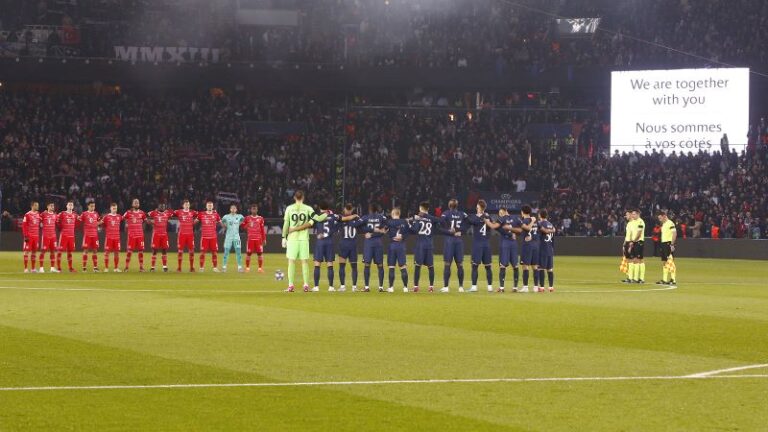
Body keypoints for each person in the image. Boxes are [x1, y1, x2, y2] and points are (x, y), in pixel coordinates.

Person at [282, 190, 327, 292]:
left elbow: (286, 224)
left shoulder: (289, 208)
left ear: (294, 198)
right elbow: (319, 219)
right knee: (304, 262)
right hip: (303, 238)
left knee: (291, 261)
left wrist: (283, 237)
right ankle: (306, 285)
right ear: (303, 198)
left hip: (292, 238)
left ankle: (291, 285)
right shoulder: (308, 209)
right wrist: (327, 213)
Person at [486, 207, 521, 292]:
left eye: (501, 213)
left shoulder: (502, 219)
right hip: (513, 243)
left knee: (502, 265)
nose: (500, 215)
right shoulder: (516, 218)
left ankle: (501, 288)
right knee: (515, 266)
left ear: (505, 212)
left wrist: (486, 220)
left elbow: (494, 226)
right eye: (499, 213)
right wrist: (512, 232)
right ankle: (515, 288)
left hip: (505, 243)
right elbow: (520, 230)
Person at [410, 201, 442, 292]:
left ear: (421, 208)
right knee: (430, 266)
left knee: (417, 266)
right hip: (429, 244)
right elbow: (438, 225)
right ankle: (431, 287)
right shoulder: (432, 219)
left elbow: (415, 230)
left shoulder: (419, 218)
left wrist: (413, 222)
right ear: (428, 209)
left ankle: (416, 287)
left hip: (420, 245)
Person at [465, 199, 494, 292]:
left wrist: (465, 215)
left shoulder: (475, 217)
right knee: (488, 266)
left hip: (477, 244)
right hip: (487, 244)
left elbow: (468, 220)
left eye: (477, 207)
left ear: (480, 208)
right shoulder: (488, 217)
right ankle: (490, 287)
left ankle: (474, 287)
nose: (476, 208)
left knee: (474, 266)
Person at [440, 199, 467, 293]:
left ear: (449, 205)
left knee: (447, 264)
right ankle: (461, 287)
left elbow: (440, 226)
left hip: (450, 241)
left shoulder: (446, 214)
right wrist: (461, 231)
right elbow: (468, 223)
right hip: (459, 241)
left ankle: (446, 287)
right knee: (460, 265)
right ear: (457, 205)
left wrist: (448, 231)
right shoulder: (462, 214)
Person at [381, 207, 410, 293]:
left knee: (391, 267)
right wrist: (402, 237)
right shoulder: (404, 222)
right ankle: (405, 288)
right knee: (403, 266)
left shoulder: (389, 222)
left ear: (393, 214)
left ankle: (391, 287)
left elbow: (384, 231)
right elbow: (408, 232)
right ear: (399, 214)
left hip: (392, 245)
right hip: (401, 246)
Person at [337, 204, 365, 292]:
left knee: (342, 266)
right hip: (353, 245)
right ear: (352, 209)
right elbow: (362, 225)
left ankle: (342, 286)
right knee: (354, 267)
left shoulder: (341, 219)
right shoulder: (356, 219)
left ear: (344, 209)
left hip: (343, 244)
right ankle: (354, 287)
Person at [360, 203, 387, 292]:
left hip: (369, 243)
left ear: (370, 209)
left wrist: (367, 233)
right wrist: (380, 232)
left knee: (367, 264)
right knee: (380, 265)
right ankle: (381, 287)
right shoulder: (381, 217)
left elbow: (359, 227)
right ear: (377, 210)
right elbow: (386, 228)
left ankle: (367, 287)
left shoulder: (365, 217)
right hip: (378, 242)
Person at [519, 205, 540, 292]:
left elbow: (527, 228)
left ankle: (525, 287)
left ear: (522, 212)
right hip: (535, 245)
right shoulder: (535, 221)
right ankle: (535, 287)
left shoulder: (525, 220)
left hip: (527, 245)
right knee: (535, 266)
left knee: (525, 266)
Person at [123, 198, 147, 272]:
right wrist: (126, 224)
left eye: (137, 203)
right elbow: (122, 218)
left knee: (141, 251)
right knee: (129, 251)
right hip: (132, 236)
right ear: (132, 204)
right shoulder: (128, 212)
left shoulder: (142, 213)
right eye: (135, 202)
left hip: (140, 236)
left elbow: (146, 221)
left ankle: (141, 267)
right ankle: (126, 267)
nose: (136, 204)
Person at [148, 203, 174, 272]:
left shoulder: (167, 213)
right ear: (158, 207)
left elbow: (173, 213)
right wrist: (150, 221)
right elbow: (146, 215)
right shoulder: (154, 213)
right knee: (154, 251)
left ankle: (164, 267)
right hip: (156, 234)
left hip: (164, 235)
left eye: (163, 206)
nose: (162, 207)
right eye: (161, 206)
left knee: (164, 250)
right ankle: (152, 267)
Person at [174, 199, 198, 272]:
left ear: (189, 205)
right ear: (183, 205)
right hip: (182, 235)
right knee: (180, 251)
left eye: (188, 204)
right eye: (185, 204)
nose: (187, 206)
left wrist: (195, 221)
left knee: (191, 251)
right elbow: (170, 213)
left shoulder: (192, 212)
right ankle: (179, 267)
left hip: (190, 235)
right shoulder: (179, 212)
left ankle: (191, 267)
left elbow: (201, 215)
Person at [198, 200, 221, 272]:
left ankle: (215, 268)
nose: (210, 206)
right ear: (206, 206)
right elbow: (195, 221)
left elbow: (221, 223)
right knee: (202, 253)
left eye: (211, 205)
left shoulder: (216, 215)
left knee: (214, 253)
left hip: (213, 237)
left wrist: (227, 225)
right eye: (208, 205)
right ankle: (201, 268)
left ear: (213, 206)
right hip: (204, 237)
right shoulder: (201, 214)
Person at [220, 204, 245, 272]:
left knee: (238, 251)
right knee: (226, 252)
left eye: (234, 208)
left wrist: (239, 224)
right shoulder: (226, 216)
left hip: (236, 236)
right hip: (228, 236)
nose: (233, 209)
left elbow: (243, 220)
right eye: (232, 208)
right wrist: (225, 226)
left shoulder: (239, 216)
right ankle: (224, 267)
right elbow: (221, 222)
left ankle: (239, 267)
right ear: (230, 209)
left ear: (236, 209)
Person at [656, 211, 678, 288]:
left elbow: (674, 233)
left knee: (670, 261)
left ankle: (673, 279)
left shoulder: (670, 223)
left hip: (668, 243)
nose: (659, 220)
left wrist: (672, 244)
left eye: (660, 218)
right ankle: (664, 279)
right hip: (663, 243)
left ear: (664, 216)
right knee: (664, 261)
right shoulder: (664, 224)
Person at [57, 200, 79, 273]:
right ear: (66, 206)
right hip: (64, 236)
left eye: (71, 205)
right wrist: (59, 227)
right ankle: (59, 268)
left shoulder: (75, 215)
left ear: (73, 207)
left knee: (70, 252)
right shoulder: (62, 213)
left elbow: (79, 220)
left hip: (71, 236)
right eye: (69, 205)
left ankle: (70, 268)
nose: (70, 206)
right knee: (60, 251)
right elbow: (56, 219)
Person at [243, 204, 266, 272]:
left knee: (260, 254)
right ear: (250, 210)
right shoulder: (247, 218)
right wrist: (248, 225)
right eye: (253, 209)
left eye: (255, 209)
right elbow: (243, 227)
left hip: (258, 239)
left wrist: (264, 239)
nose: (254, 210)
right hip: (250, 239)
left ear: (257, 210)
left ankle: (260, 268)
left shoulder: (260, 218)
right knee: (248, 254)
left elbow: (262, 230)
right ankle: (247, 268)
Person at [537, 209, 556, 292]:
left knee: (541, 268)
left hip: (543, 248)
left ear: (540, 215)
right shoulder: (551, 225)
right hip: (550, 249)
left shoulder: (540, 224)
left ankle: (541, 287)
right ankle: (551, 287)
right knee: (550, 269)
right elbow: (553, 238)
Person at [80, 201, 101, 272]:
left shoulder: (96, 214)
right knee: (85, 251)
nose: (93, 207)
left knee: (95, 251)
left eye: (94, 206)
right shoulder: (84, 214)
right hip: (87, 235)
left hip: (95, 235)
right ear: (88, 206)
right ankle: (84, 267)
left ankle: (95, 267)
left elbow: (98, 222)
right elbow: (79, 220)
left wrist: (98, 224)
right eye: (91, 206)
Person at [102, 203, 123, 272]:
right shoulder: (106, 217)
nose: (114, 210)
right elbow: (102, 224)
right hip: (109, 238)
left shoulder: (119, 216)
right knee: (107, 253)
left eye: (116, 208)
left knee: (116, 253)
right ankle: (106, 268)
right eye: (113, 208)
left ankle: (116, 268)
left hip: (117, 238)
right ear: (110, 208)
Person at [627, 209, 646, 283]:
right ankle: (633, 278)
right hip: (634, 242)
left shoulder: (641, 222)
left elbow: (639, 233)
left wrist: (633, 241)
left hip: (639, 242)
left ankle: (640, 278)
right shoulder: (633, 222)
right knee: (634, 259)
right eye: (632, 214)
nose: (633, 215)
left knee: (639, 259)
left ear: (638, 214)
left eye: (634, 214)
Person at [39, 202, 59, 273]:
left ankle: (52, 268)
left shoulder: (55, 215)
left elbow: (58, 223)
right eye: (51, 206)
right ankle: (41, 268)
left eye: (53, 206)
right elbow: (38, 218)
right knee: (43, 251)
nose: (52, 207)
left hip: (53, 236)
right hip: (45, 236)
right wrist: (41, 223)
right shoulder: (43, 214)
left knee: (53, 251)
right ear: (47, 206)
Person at [22, 201, 41, 273]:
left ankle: (33, 268)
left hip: (36, 237)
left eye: (37, 205)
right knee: (26, 252)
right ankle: (26, 268)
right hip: (29, 237)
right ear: (32, 206)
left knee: (34, 252)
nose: (37, 207)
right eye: (36, 205)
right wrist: (26, 236)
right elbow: (24, 226)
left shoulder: (38, 214)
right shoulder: (27, 215)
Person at [621, 210, 634, 282]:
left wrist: (631, 243)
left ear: (631, 215)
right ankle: (629, 277)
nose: (626, 216)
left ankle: (631, 277)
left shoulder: (633, 224)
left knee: (631, 260)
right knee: (628, 260)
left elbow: (633, 234)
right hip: (627, 241)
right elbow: (628, 234)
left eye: (627, 215)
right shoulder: (629, 223)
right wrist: (624, 243)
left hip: (630, 242)